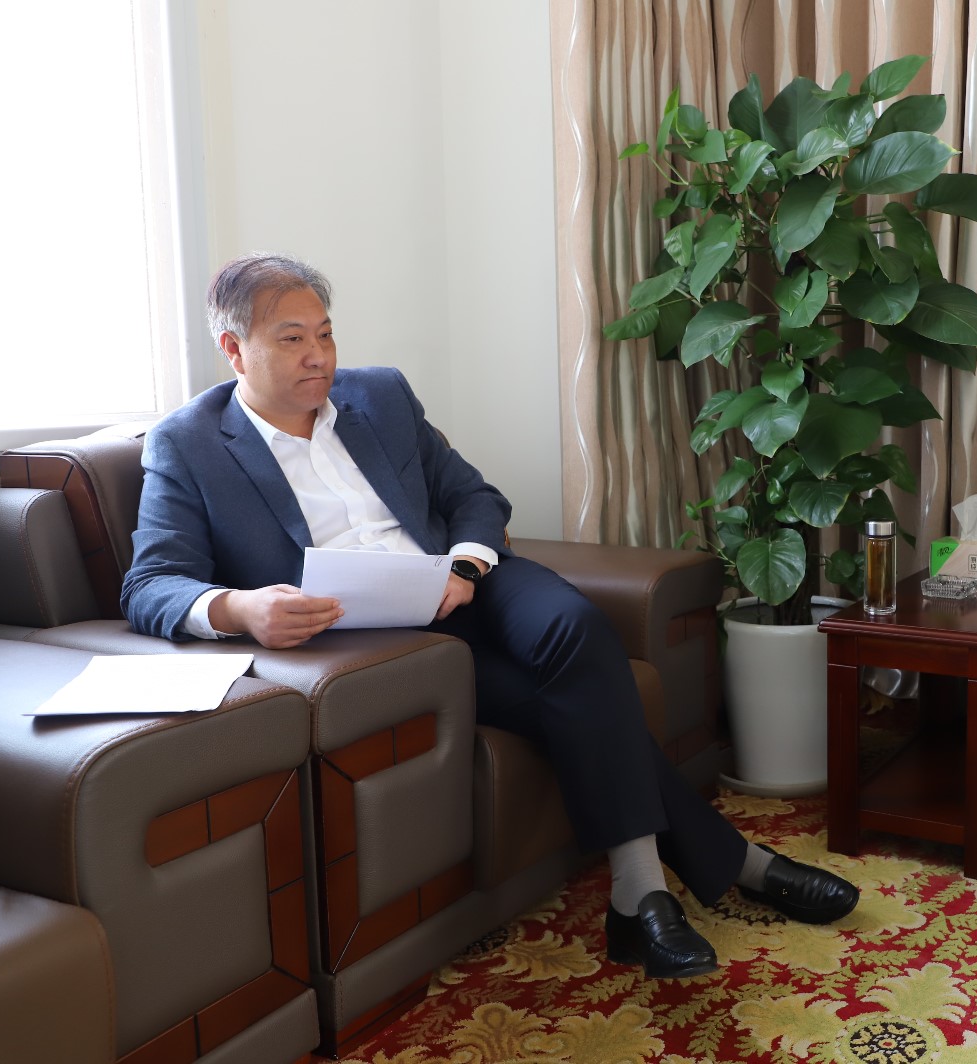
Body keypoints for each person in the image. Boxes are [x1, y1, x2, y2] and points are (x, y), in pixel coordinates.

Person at [122, 252, 860, 979]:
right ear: (233, 349)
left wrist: (468, 563)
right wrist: (240, 608)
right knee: (569, 706)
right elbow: (150, 583)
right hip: (381, 640)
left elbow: (472, 495)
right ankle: (684, 883)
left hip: (465, 582)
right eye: (292, 339)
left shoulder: (379, 395)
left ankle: (648, 897)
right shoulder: (188, 444)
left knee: (575, 626)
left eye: (326, 333)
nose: (319, 356)